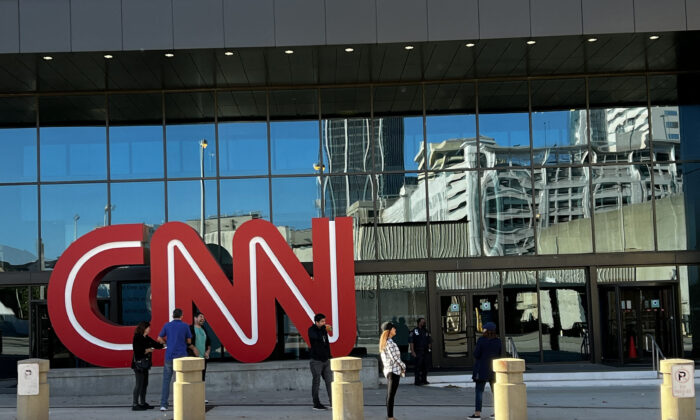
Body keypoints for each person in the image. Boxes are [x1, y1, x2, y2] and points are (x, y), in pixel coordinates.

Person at [157, 308, 198, 412]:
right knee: (181, 381)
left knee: (166, 382)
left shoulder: (167, 325)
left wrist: (167, 343)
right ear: (181, 316)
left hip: (169, 356)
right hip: (181, 357)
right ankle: (181, 404)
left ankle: (163, 405)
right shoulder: (185, 326)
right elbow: (189, 340)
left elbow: (159, 338)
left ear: (172, 316)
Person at [468, 322, 502, 419]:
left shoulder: (481, 340)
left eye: (484, 329)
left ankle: (477, 414)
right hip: (493, 369)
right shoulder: (498, 341)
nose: (483, 330)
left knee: (479, 392)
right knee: (496, 392)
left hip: (481, 369)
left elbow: (476, 354)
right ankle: (498, 412)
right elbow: (499, 353)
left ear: (486, 330)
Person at [131, 321, 162, 410]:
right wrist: (147, 350)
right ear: (144, 328)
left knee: (145, 384)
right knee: (139, 384)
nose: (150, 329)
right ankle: (135, 404)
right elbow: (137, 350)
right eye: (148, 327)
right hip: (138, 365)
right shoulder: (137, 337)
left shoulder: (147, 338)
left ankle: (143, 402)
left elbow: (156, 345)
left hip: (145, 365)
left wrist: (164, 344)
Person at [380, 321, 405, 420]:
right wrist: (403, 366)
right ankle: (390, 417)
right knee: (391, 395)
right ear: (389, 330)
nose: (395, 329)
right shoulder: (389, 342)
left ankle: (390, 416)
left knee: (390, 394)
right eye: (394, 328)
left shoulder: (386, 341)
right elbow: (395, 358)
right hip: (393, 371)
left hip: (390, 370)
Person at [308, 313, 333, 410]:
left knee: (329, 381)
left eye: (324, 321)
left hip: (325, 360)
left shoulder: (324, 331)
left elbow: (326, 343)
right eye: (322, 321)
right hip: (316, 361)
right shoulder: (311, 330)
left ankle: (333, 402)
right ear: (317, 322)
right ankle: (316, 403)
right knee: (316, 382)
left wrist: (329, 355)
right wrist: (323, 329)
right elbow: (316, 338)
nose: (324, 323)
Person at [189, 311, 211, 403]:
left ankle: (200, 397)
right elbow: (187, 341)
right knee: (193, 379)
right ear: (195, 318)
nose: (203, 318)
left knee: (202, 378)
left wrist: (207, 352)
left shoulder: (204, 329)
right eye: (201, 317)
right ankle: (192, 398)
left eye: (203, 317)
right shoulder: (190, 328)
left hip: (203, 359)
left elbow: (209, 343)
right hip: (193, 358)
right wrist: (194, 348)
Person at [408, 317, 432, 385]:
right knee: (418, 367)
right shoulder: (414, 331)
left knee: (425, 366)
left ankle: (424, 380)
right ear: (419, 323)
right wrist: (412, 351)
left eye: (424, 322)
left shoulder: (426, 331)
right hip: (418, 351)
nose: (424, 323)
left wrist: (429, 349)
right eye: (422, 322)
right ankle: (417, 381)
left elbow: (429, 341)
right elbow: (411, 342)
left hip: (426, 351)